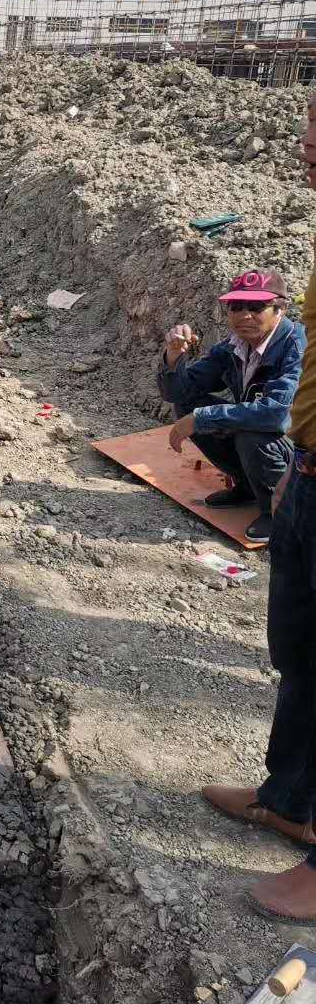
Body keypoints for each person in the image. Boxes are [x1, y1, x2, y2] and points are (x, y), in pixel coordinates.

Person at [202, 92, 316, 920]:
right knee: (300, 653)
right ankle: (289, 800)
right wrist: (294, 468)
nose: (304, 145)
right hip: (309, 478)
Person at [157, 269, 305, 544]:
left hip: (305, 455)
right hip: (280, 440)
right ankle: (248, 486)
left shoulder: (297, 347)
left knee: (254, 433)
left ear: (280, 309)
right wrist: (173, 357)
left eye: (256, 307)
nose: (244, 315)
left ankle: (282, 512)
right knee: (190, 405)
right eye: (237, 306)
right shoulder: (234, 346)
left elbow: (276, 415)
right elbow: (180, 392)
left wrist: (202, 418)